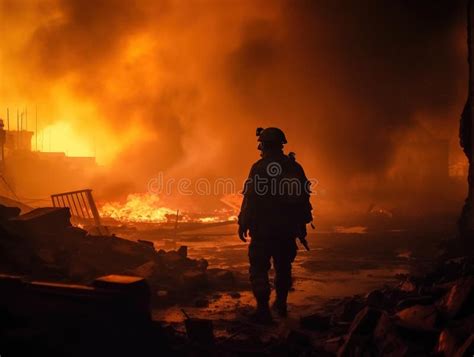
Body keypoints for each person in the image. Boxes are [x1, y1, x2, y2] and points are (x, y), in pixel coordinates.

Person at [238, 127, 313, 323]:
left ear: (263, 144)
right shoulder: (294, 167)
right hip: (286, 229)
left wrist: (243, 221)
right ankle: (281, 305)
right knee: (283, 267)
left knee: (259, 268)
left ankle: (263, 310)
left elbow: (250, 198)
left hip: (263, 229)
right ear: (281, 144)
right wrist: (302, 225)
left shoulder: (260, 167)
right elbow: (304, 199)